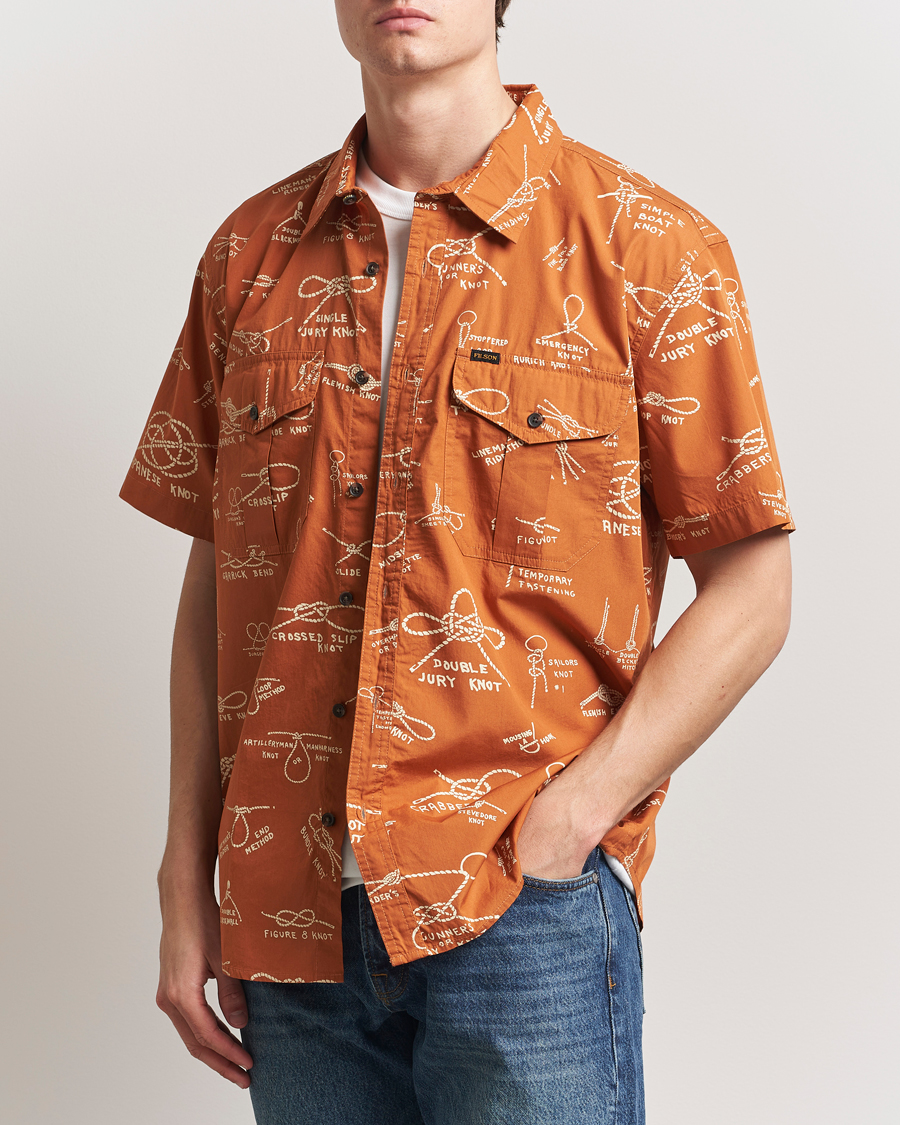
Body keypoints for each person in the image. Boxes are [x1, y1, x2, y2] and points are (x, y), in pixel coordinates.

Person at [119, 1, 795, 1121]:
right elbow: (218, 585)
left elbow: (755, 588)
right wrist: (184, 873)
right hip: (294, 926)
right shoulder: (249, 256)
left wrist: (574, 821)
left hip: (522, 909)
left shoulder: (649, 248)